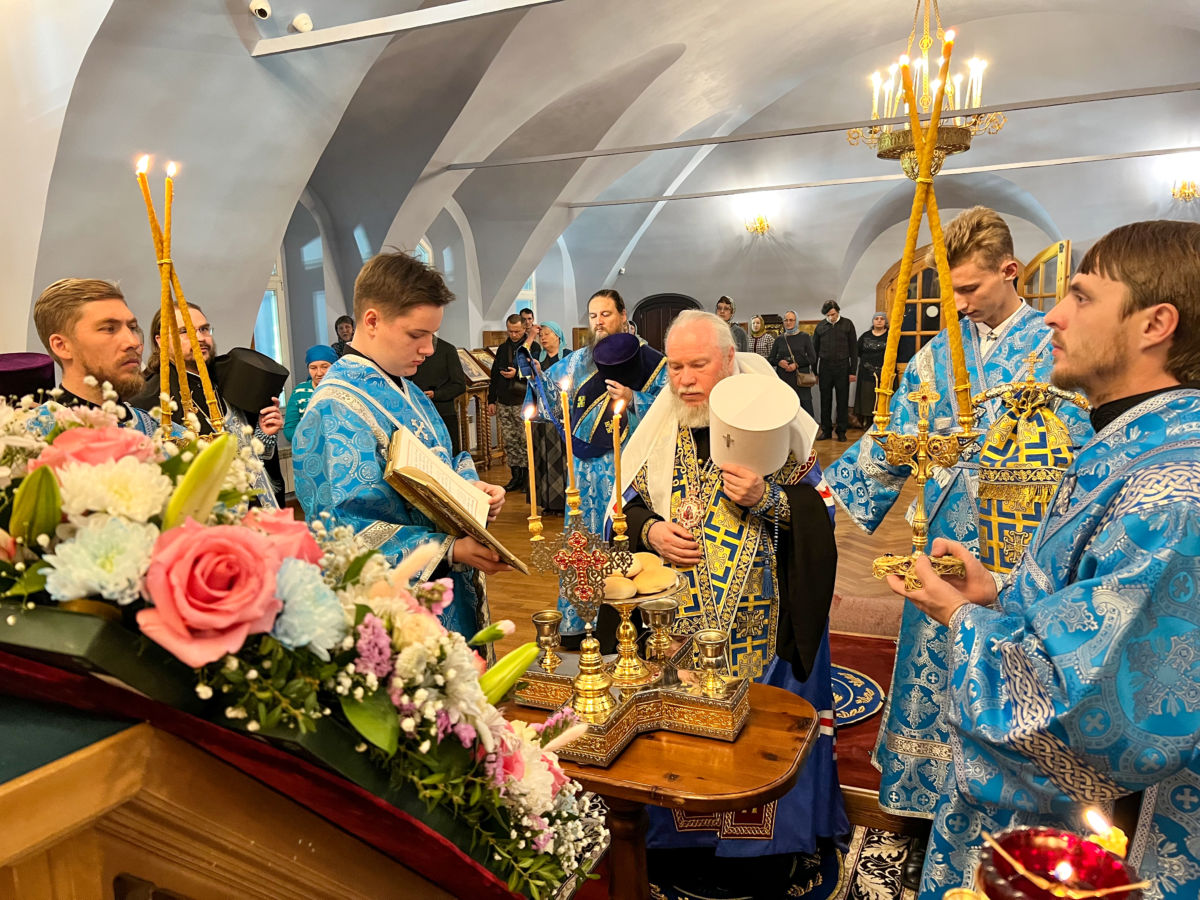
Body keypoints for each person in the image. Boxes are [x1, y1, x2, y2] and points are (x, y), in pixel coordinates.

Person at [889, 219, 1200, 899]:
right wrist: (997, 596)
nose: (1055, 314)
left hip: (1102, 845)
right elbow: (1096, 602)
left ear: (1155, 324)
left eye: (1082, 297)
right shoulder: (1138, 440)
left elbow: (1084, 716)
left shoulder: (1173, 493)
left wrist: (964, 623)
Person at [825, 206, 1093, 890]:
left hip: (1020, 549)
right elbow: (893, 435)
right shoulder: (940, 355)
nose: (962, 304)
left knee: (1013, 676)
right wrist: (816, 497)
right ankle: (932, 800)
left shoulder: (1056, 345)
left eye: (972, 289)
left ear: (1012, 272)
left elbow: (1085, 439)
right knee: (932, 666)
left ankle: (1015, 811)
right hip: (942, 538)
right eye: (952, 294)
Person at [617, 310, 847, 895]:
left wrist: (768, 497)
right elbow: (631, 508)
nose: (686, 379)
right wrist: (652, 534)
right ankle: (684, 844)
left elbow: (821, 515)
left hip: (764, 630)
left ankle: (764, 851)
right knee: (685, 741)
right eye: (674, 367)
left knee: (759, 741)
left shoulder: (775, 421)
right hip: (681, 633)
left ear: (728, 360)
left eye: (698, 364)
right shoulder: (660, 427)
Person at [294, 251, 508, 640]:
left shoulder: (408, 390)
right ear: (372, 320)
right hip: (396, 619)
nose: (428, 349)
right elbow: (342, 535)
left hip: (446, 594)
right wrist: (449, 551)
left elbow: (445, 458)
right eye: (416, 335)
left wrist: (473, 490)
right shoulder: (333, 409)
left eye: (432, 336)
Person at [541, 289, 668, 637]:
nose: (598, 321)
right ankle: (581, 618)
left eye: (606, 314)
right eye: (593, 315)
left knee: (623, 532)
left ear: (623, 315)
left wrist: (633, 398)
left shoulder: (649, 359)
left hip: (628, 462)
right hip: (583, 470)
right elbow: (550, 398)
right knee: (584, 537)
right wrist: (536, 377)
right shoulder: (576, 361)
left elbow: (669, 404)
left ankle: (626, 617)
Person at [133, 303, 283, 508]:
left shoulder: (228, 378)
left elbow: (255, 460)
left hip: (257, 512)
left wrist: (264, 434)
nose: (200, 338)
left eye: (204, 329)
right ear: (160, 341)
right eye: (185, 331)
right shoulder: (149, 399)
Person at [30, 278, 158, 433]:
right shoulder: (26, 441)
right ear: (62, 346)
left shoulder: (166, 435)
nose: (133, 342)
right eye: (109, 329)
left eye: (132, 327)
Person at [523, 321, 572, 514]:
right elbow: (523, 370)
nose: (543, 338)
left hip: (563, 417)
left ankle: (565, 501)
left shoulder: (568, 357)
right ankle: (546, 502)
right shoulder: (536, 358)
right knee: (543, 457)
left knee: (562, 460)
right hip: (542, 417)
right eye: (541, 334)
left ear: (558, 336)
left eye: (547, 334)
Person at [489, 314, 540, 493]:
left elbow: (534, 372)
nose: (514, 335)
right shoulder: (503, 348)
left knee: (525, 440)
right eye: (510, 331)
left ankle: (528, 477)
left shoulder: (533, 346)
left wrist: (516, 373)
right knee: (510, 442)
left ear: (524, 328)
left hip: (523, 400)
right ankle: (516, 476)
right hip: (504, 400)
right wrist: (491, 399)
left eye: (517, 331)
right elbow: (494, 374)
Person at [410, 333, 467, 456]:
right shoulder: (411, 349)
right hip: (419, 413)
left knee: (449, 454)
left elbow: (459, 385)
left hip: (444, 412)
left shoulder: (447, 350)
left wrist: (436, 394)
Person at [813, 299, 857, 441]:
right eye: (828, 315)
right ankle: (826, 430)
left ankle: (841, 431)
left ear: (837, 311)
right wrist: (815, 372)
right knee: (825, 400)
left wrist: (852, 371)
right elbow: (815, 350)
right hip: (825, 367)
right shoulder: (820, 327)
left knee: (842, 400)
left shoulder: (847, 324)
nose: (831, 317)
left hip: (843, 367)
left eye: (834, 313)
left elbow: (853, 349)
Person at [768, 309, 817, 418]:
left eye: (791, 320)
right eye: (786, 320)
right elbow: (771, 358)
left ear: (796, 321)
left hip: (800, 380)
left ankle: (808, 435)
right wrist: (779, 362)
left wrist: (796, 364)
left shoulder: (805, 337)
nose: (788, 322)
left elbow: (812, 358)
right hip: (784, 379)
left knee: (806, 411)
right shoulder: (779, 339)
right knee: (786, 410)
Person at [283, 344, 337, 444]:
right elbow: (289, 431)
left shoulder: (342, 390)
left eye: (325, 367)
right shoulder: (299, 392)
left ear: (334, 366)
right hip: (308, 453)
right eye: (313, 368)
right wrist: (313, 437)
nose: (319, 373)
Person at [852, 312, 888, 428]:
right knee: (867, 398)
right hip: (866, 373)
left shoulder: (890, 336)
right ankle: (868, 424)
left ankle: (882, 424)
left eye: (882, 319)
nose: (879, 321)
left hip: (884, 373)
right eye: (876, 319)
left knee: (881, 399)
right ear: (873, 321)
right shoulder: (865, 336)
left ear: (885, 322)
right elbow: (857, 352)